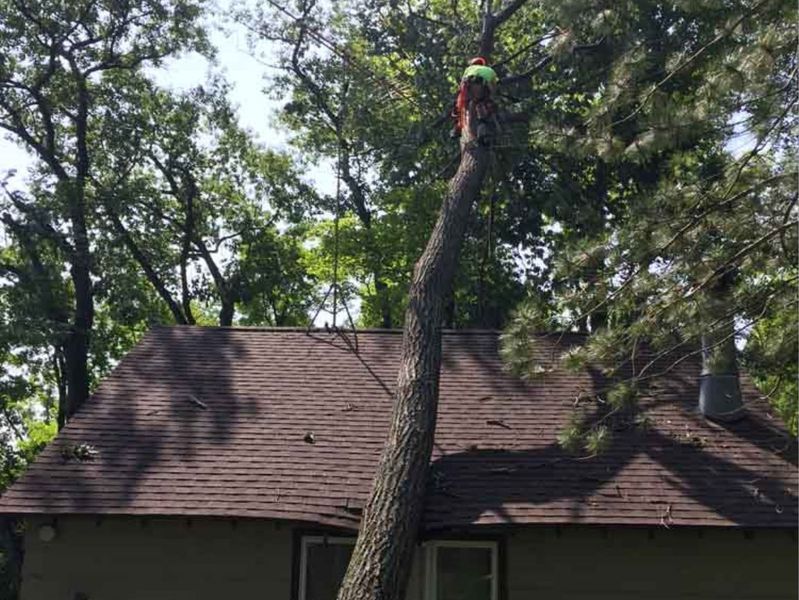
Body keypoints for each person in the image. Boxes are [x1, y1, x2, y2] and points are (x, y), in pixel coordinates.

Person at [451, 57, 499, 144]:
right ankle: (482, 129)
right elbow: (494, 87)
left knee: (458, 107)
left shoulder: (469, 69)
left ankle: (457, 128)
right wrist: (489, 98)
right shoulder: (489, 70)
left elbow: (461, 86)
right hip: (480, 90)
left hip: (469, 90)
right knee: (483, 108)